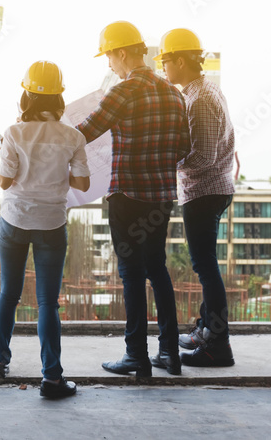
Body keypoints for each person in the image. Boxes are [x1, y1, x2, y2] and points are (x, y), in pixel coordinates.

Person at [76, 21, 190, 377]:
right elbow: (184, 148)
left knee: (130, 275)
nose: (109, 65)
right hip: (160, 198)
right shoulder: (174, 94)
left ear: (122, 53)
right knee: (158, 270)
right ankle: (169, 353)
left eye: (109, 57)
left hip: (127, 195)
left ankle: (136, 355)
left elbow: (83, 133)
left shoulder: (123, 92)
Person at [0, 60, 90, 400]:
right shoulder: (73, 136)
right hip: (51, 224)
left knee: (9, 294)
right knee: (48, 303)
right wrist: (57, 169)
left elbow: (4, 181)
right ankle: (52, 378)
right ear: (59, 98)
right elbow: (83, 183)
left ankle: (0, 362)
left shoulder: (14, 133)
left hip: (14, 221)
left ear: (26, 96)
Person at [156, 28, 236, 367]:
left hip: (204, 191)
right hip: (211, 189)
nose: (163, 69)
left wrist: (165, 161)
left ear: (181, 60)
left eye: (166, 61)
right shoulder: (204, 90)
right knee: (205, 264)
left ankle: (217, 346)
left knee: (205, 267)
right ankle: (206, 330)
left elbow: (203, 156)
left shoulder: (200, 99)